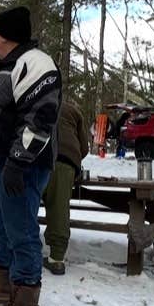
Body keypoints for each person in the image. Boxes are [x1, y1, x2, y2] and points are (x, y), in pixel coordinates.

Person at [0, 5, 62, 306]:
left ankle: (25, 304)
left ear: (6, 35)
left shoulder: (36, 64)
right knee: (4, 227)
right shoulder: (6, 66)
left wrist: (18, 162)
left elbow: (41, 117)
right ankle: (3, 285)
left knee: (21, 229)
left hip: (23, 165)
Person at [42, 98, 90, 275]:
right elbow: (84, 148)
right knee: (58, 208)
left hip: (36, 157)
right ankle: (56, 258)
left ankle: (18, 252)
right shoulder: (73, 111)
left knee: (25, 206)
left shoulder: (37, 102)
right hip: (64, 162)